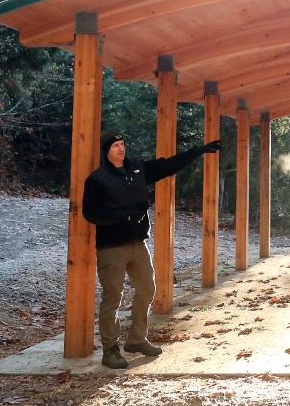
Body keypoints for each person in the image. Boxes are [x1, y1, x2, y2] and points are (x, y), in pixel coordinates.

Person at [82, 130, 221, 369]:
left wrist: (198, 151)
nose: (121, 149)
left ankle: (136, 339)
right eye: (115, 145)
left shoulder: (137, 169)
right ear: (107, 151)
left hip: (138, 243)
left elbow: (168, 166)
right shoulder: (97, 179)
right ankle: (110, 349)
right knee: (113, 297)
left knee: (147, 288)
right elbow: (90, 213)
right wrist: (125, 215)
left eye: (123, 144)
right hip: (112, 247)